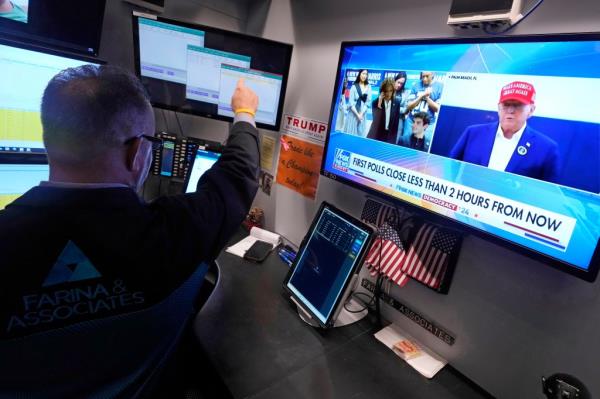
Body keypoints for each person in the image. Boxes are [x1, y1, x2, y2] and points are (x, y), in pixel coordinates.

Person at [0, 65, 260, 397]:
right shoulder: (177, 232)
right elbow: (239, 171)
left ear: (48, 139)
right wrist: (244, 111)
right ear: (138, 152)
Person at [449, 81, 560, 183]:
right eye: (506, 104)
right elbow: (449, 169)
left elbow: (549, 194)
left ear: (531, 110)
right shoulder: (473, 133)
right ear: (498, 107)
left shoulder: (546, 148)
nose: (510, 110)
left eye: (518, 105)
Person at [403, 71, 442, 140]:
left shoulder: (439, 87)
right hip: (412, 121)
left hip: (428, 124)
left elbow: (437, 109)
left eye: (427, 76)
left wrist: (427, 97)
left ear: (433, 74)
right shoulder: (416, 85)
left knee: (423, 147)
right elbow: (409, 106)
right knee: (406, 142)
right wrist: (422, 95)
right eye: (423, 76)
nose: (424, 79)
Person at [366, 78, 400, 144]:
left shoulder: (397, 103)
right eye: (386, 91)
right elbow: (376, 121)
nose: (388, 94)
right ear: (382, 91)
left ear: (393, 91)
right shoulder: (375, 103)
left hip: (389, 136)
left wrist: (393, 141)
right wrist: (379, 103)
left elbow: (395, 125)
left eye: (390, 91)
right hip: (377, 135)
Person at [344, 69, 371, 137]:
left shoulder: (369, 87)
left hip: (362, 114)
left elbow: (368, 102)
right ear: (359, 74)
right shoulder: (354, 86)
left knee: (360, 134)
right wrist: (357, 114)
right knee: (350, 133)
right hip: (353, 113)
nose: (364, 76)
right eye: (363, 73)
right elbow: (351, 103)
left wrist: (361, 114)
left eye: (366, 74)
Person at [393, 71, 410, 143]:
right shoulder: (389, 89)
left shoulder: (406, 92)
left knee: (396, 141)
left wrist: (394, 108)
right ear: (395, 80)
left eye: (402, 83)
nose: (399, 85)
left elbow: (406, 109)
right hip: (387, 119)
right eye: (398, 82)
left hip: (399, 120)